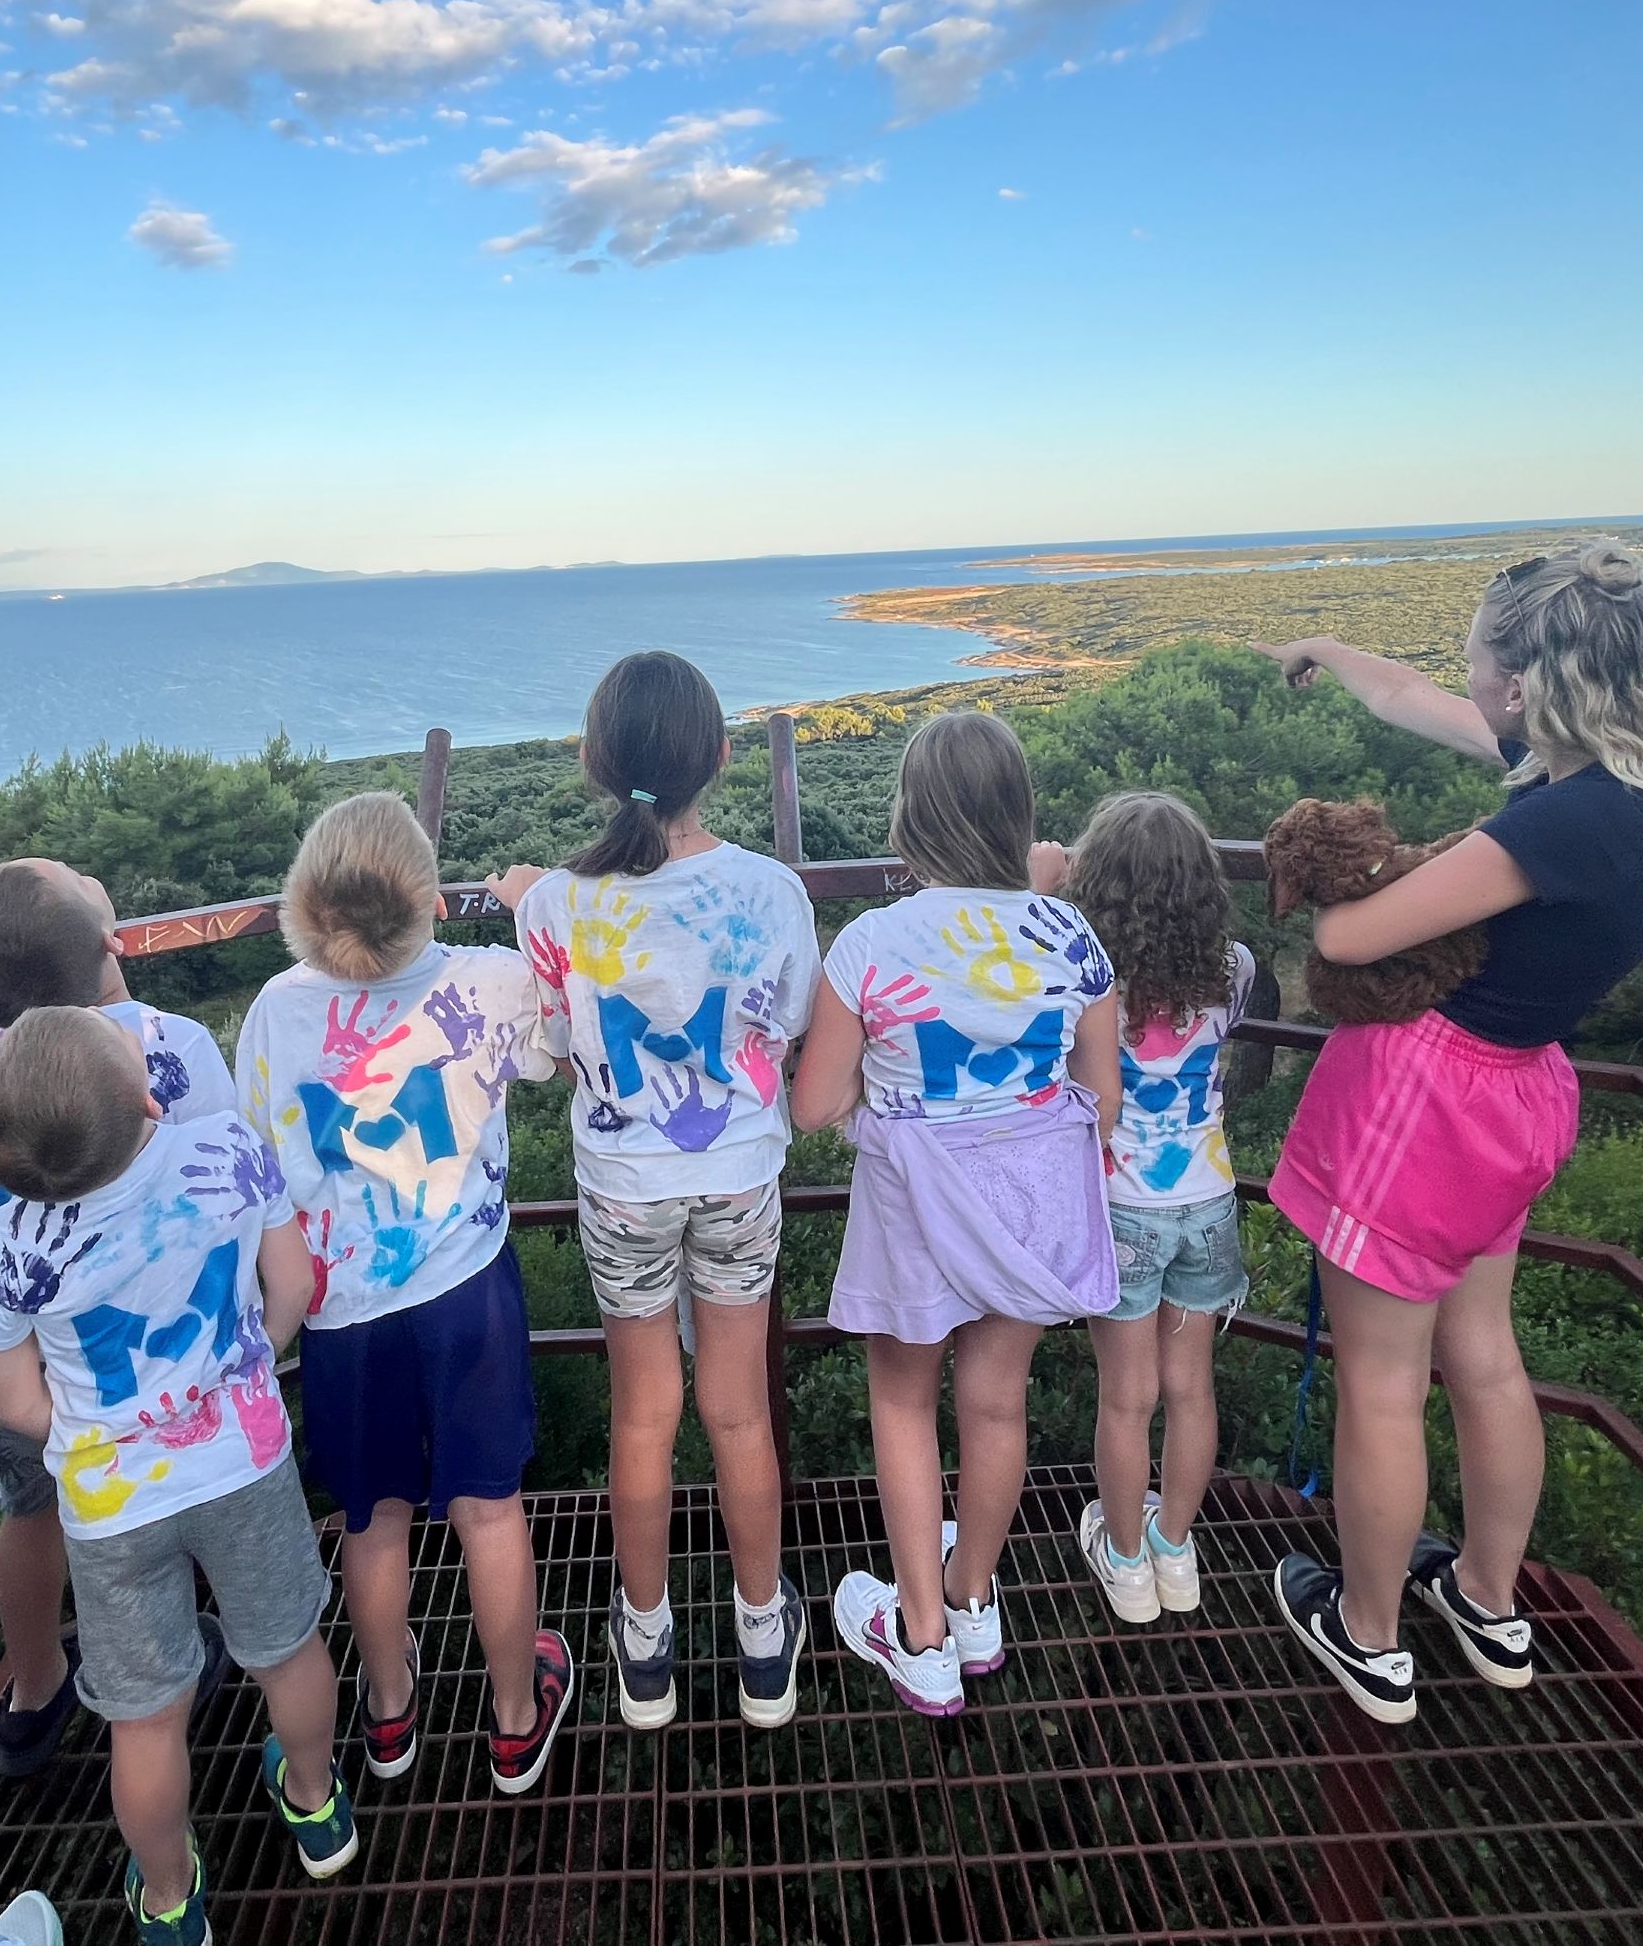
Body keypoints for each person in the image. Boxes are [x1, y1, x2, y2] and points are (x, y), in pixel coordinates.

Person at [1254, 541, 1643, 1722]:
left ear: (1522, 687)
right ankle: (1485, 1595)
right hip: (1519, 1094)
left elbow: (1350, 941)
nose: (1463, 677)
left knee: (1381, 1380)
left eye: (1476, 659)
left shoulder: (1554, 825)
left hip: (1424, 1107)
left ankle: (1369, 1635)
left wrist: (1338, 865)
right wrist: (1329, 650)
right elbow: (1410, 698)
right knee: (1483, 1354)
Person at [0, 1007, 351, 1944]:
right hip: (243, 1459)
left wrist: (98, 1432)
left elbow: (12, 1401)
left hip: (111, 1502)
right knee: (287, 1650)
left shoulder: (6, 1236)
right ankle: (316, 1808)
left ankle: (172, 1902)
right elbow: (293, 1285)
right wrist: (251, 1364)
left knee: (144, 1718)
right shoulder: (226, 1149)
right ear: (146, 1096)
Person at [491, 652, 817, 1733]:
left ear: (594, 763)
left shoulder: (554, 904)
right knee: (738, 1408)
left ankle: (645, 1649)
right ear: (719, 757)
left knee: (645, 1415)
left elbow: (552, 1049)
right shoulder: (772, 891)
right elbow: (787, 1022)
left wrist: (526, 904)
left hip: (623, 1187)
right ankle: (762, 1639)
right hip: (739, 1178)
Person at [233, 792, 575, 1792]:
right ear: (426, 896)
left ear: (307, 899)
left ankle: (389, 1716)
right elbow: (559, 1049)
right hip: (468, 1292)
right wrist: (530, 908)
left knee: (373, 1519)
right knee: (490, 1510)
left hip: (340, 1314)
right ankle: (514, 1721)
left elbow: (261, 1168)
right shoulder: (489, 981)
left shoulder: (276, 1012)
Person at [790, 711, 1121, 1717]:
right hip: (1031, 1207)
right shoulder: (1071, 936)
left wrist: (877, 1094)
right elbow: (1101, 1096)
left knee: (903, 1403)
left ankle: (920, 1634)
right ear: (1017, 812)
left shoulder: (870, 944)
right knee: (995, 1403)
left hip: (914, 1207)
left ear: (911, 815)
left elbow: (813, 1105)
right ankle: (973, 1597)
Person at [0, 856, 234, 1778]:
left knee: (31, 1510)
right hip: (154, 1333)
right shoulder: (173, 1044)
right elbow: (223, 1169)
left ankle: (33, 1693)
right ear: (110, 944)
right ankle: (192, 1656)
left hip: (23, 1335)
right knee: (177, 1490)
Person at [1032, 793, 1265, 1626]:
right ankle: (1175, 1547)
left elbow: (1028, 973)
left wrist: (1045, 885)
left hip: (1122, 1206)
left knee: (1127, 1398)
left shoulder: (1087, 976)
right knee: (1191, 1390)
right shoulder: (1235, 968)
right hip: (1207, 1202)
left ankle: (1126, 1563)